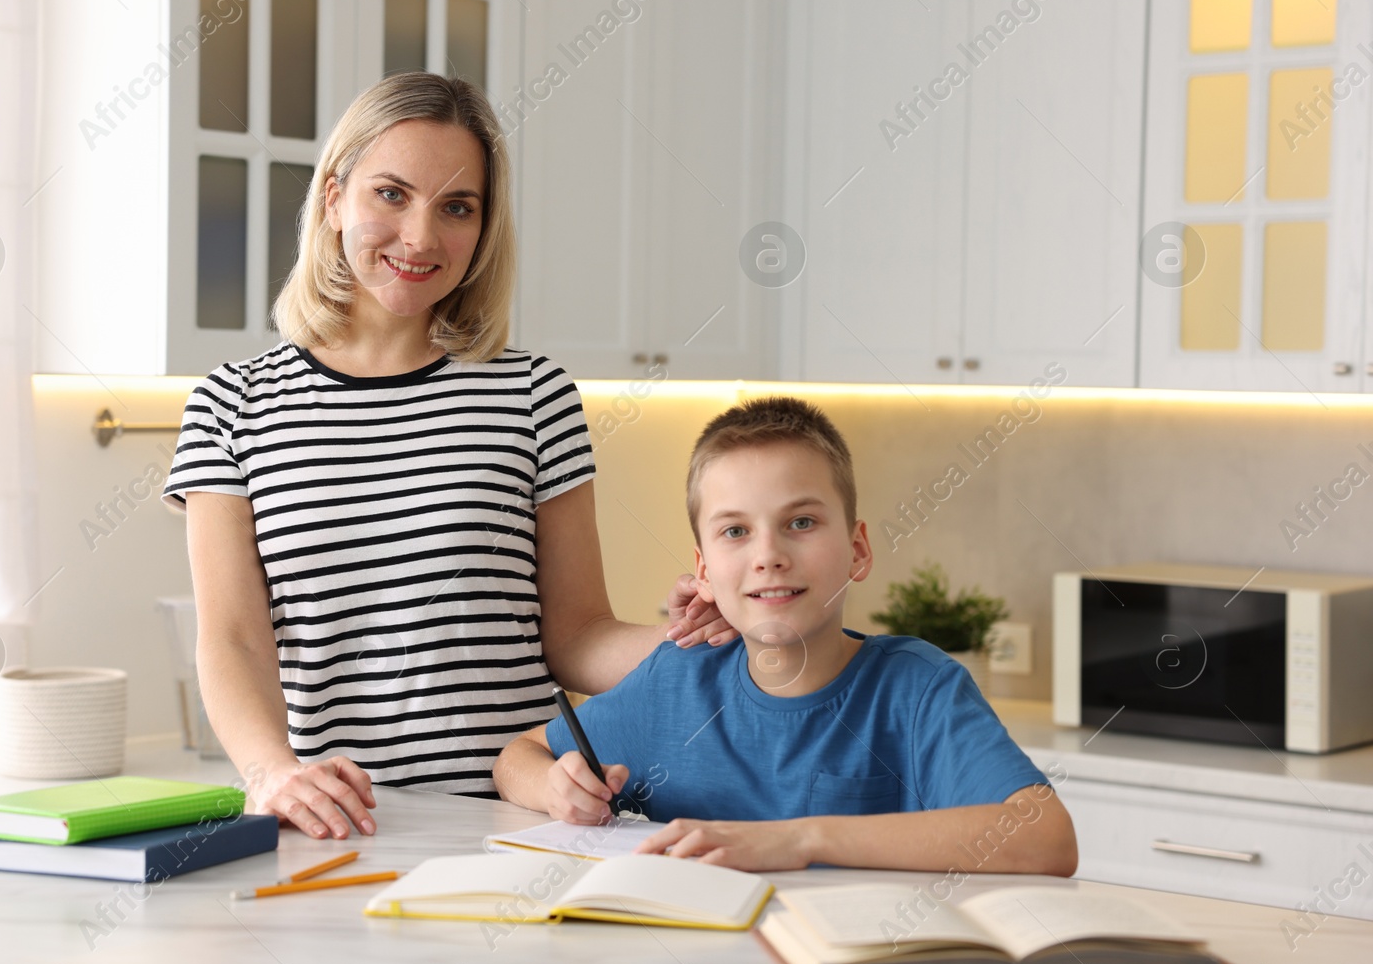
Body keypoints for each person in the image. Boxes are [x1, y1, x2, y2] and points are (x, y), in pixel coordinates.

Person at [162, 72, 733, 843]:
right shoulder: (233, 404)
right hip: (333, 825)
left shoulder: (533, 394)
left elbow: (578, 634)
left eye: (456, 207)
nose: (422, 237)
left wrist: (698, 634)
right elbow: (232, 638)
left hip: (518, 820)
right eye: (391, 195)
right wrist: (271, 772)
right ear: (334, 198)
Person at [493, 397, 1078, 875]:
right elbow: (517, 756)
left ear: (857, 550)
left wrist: (798, 840)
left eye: (801, 522)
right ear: (703, 571)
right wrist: (555, 788)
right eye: (736, 531)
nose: (768, 556)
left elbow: (1047, 838)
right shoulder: (676, 681)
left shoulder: (915, 689)